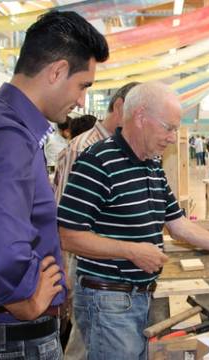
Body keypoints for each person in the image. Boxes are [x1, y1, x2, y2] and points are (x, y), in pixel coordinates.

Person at [57, 82, 209, 360]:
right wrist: (131, 250)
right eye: (168, 127)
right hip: (108, 300)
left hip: (140, 296)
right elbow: (67, 235)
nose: (172, 136)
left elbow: (179, 224)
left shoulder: (151, 164)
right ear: (141, 117)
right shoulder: (97, 161)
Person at [0, 10, 108, 359]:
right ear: (57, 71)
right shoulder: (8, 135)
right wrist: (23, 300)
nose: (81, 101)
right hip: (11, 338)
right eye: (83, 86)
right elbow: (0, 252)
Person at [54, 82, 139, 360]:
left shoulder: (129, 149)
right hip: (86, 271)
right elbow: (62, 223)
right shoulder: (82, 149)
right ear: (119, 107)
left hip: (117, 274)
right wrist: (63, 280)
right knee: (83, 346)